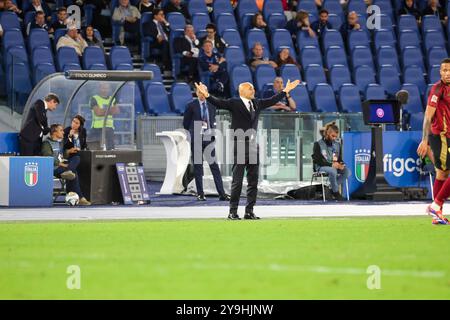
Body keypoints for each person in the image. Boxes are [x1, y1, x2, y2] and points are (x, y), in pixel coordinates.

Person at [195, 79, 300, 219]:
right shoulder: (235, 103)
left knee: (253, 181)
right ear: (242, 91)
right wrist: (207, 95)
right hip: (239, 144)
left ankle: (249, 211)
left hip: (253, 146)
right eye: (251, 89)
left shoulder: (256, 103)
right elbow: (219, 102)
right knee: (237, 181)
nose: (253, 90)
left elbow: (272, 100)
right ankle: (233, 212)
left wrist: (286, 91)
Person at [417, 58, 450, 225]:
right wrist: (424, 140)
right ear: (440, 72)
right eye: (444, 70)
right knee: (443, 173)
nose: (447, 73)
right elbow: (428, 116)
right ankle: (436, 205)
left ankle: (437, 215)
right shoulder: (437, 89)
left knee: (442, 174)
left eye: (449, 70)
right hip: (441, 136)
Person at [183, 86, 230, 202]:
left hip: (209, 137)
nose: (202, 94)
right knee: (198, 167)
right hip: (197, 138)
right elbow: (186, 123)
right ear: (196, 93)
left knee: (214, 167)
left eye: (204, 92)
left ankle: (222, 194)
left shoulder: (211, 104)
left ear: (207, 92)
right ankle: (200, 194)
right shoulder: (191, 105)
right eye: (199, 92)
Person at [42, 124, 91, 206]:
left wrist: (68, 151)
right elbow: (48, 158)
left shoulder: (60, 142)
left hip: (63, 167)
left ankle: (69, 171)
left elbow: (61, 155)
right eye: (61, 130)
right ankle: (81, 198)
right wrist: (62, 165)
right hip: (55, 168)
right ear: (54, 132)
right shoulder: (46, 143)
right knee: (74, 173)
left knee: (76, 158)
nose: (63, 132)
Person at [312, 121, 350, 201]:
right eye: (333, 136)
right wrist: (331, 165)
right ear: (327, 133)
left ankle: (330, 188)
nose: (334, 138)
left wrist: (342, 164)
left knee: (347, 172)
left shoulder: (337, 144)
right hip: (321, 166)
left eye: (336, 137)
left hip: (333, 166)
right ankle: (336, 192)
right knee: (333, 171)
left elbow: (339, 159)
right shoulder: (318, 144)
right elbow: (318, 160)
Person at [90, 82, 120, 150]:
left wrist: (103, 110)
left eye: (107, 88)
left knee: (110, 149)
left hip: (109, 128)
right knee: (96, 149)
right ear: (99, 88)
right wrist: (110, 110)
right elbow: (98, 112)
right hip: (97, 128)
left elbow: (117, 111)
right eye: (103, 88)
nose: (105, 90)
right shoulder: (94, 98)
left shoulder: (112, 99)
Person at [142, 8, 171, 74]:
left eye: (163, 14)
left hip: (166, 42)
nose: (163, 16)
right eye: (161, 14)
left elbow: (171, 32)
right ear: (155, 16)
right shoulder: (148, 24)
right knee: (165, 43)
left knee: (170, 43)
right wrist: (156, 36)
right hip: (156, 42)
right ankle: (163, 65)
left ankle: (170, 65)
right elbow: (147, 33)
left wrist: (166, 23)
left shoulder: (163, 24)